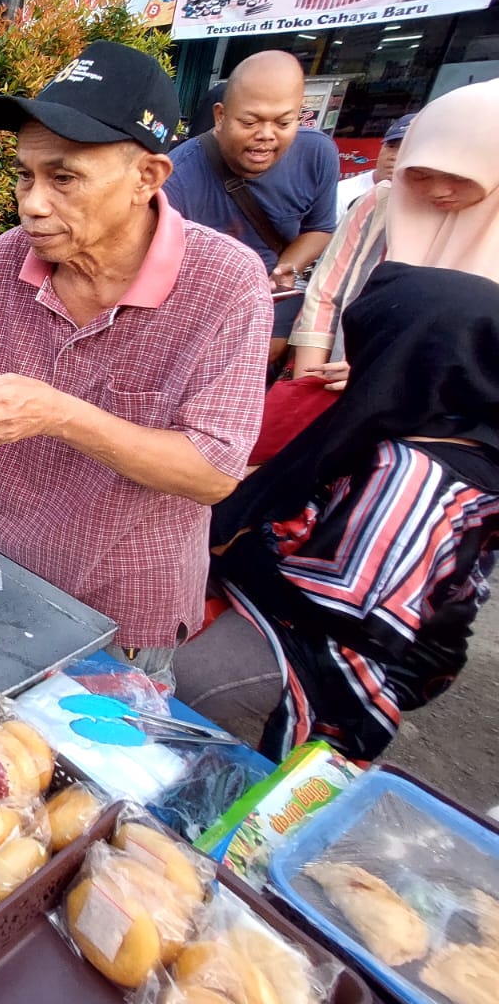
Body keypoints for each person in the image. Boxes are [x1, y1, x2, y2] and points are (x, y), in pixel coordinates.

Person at [0, 41, 272, 675]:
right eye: (26, 175)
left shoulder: (226, 284)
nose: (31, 202)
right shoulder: (8, 257)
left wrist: (60, 415)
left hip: (123, 610)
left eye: (64, 178)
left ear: (148, 178)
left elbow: (213, 472)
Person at [175, 264, 499, 762]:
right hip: (347, 616)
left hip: (340, 651)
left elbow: (338, 603)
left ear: (410, 352)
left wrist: (233, 543)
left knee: (188, 679)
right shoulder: (446, 423)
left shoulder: (415, 472)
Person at [290, 84, 499, 386]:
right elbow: (325, 296)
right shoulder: (382, 203)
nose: (438, 191)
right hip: (338, 393)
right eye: (421, 174)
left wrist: (383, 375)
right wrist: (305, 385)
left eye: (458, 177)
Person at [169, 51, 338, 364]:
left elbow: (320, 227)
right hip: (199, 298)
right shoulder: (178, 175)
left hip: (273, 292)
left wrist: (284, 269)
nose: (266, 135)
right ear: (220, 116)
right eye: (249, 122)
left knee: (269, 352)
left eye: (283, 122)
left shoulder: (318, 154)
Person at [333, 111, 412, 219]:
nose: (394, 156)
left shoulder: (428, 201)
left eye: (406, 149)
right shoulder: (343, 191)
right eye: (391, 146)